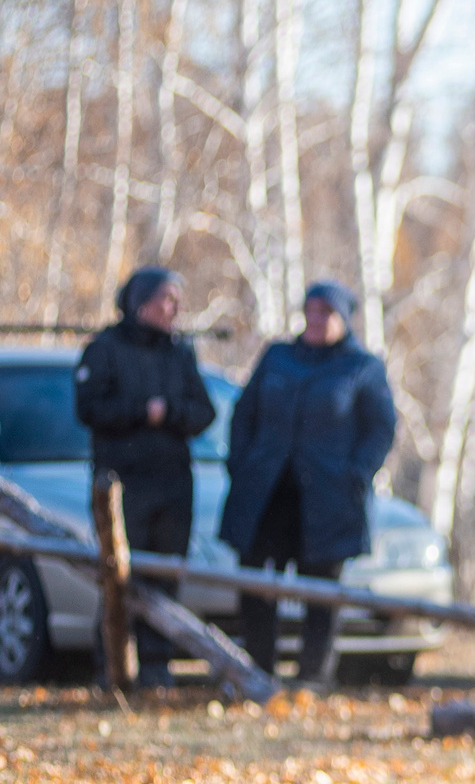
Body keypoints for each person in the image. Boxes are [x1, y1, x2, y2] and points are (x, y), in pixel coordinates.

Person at [220, 281, 397, 685]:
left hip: (328, 501)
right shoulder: (278, 357)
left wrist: (356, 473)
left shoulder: (361, 367)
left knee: (322, 592)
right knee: (255, 584)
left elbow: (381, 428)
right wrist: (242, 464)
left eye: (326, 313)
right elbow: (244, 413)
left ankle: (313, 678)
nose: (316, 320)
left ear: (343, 318)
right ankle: (258, 671)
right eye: (311, 311)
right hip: (268, 495)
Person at [74, 268, 217, 691]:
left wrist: (169, 412)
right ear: (141, 302)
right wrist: (142, 411)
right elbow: (88, 408)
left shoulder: (180, 353)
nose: (173, 310)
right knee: (119, 576)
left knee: (166, 574)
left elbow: (204, 411)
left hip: (172, 485)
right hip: (122, 484)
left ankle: (157, 666)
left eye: (176, 301)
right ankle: (113, 665)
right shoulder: (104, 349)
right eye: (165, 300)